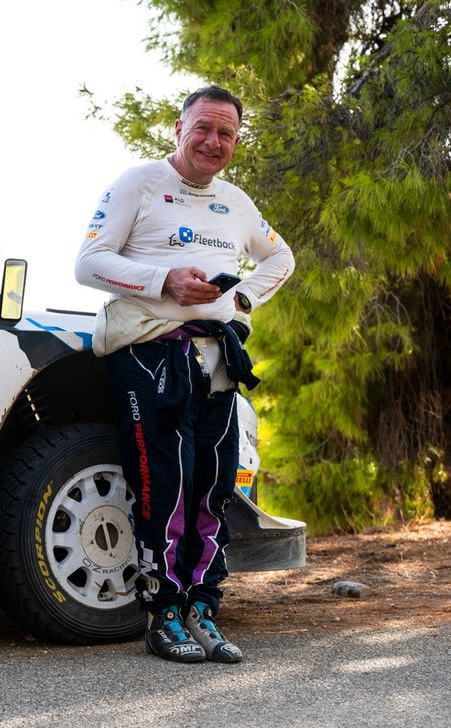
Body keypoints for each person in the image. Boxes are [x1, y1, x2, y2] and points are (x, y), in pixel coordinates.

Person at [75, 85, 294, 663]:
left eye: (226, 133)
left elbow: (281, 258)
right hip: (150, 354)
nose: (213, 141)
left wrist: (241, 303)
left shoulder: (236, 201)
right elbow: (88, 262)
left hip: (217, 357)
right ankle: (163, 615)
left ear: (235, 141)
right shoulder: (138, 184)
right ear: (179, 128)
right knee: (162, 488)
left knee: (212, 488)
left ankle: (202, 608)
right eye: (203, 128)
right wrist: (164, 282)